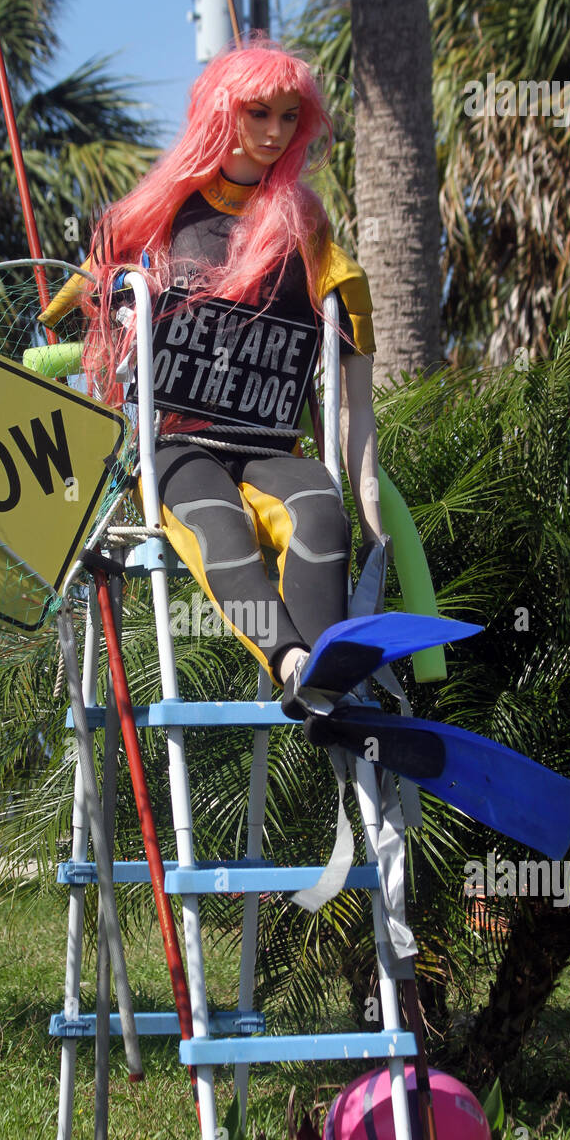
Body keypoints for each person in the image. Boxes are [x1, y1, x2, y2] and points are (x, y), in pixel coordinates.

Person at [40, 38, 383, 713]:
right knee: (216, 521)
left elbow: (357, 404)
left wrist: (376, 523)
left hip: (265, 442)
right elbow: (63, 320)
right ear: (221, 111)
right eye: (260, 113)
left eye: (290, 117)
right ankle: (293, 661)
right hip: (171, 444)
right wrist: (107, 311)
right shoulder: (151, 219)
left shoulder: (307, 234)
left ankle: (325, 692)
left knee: (319, 506)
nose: (275, 133)